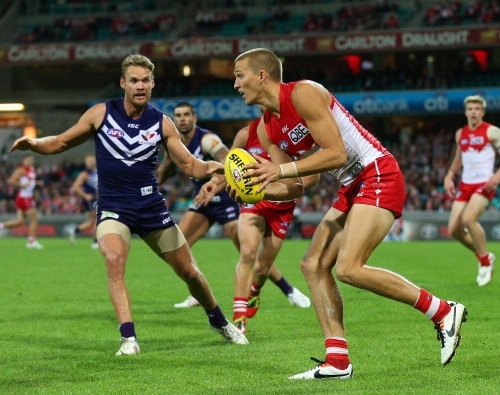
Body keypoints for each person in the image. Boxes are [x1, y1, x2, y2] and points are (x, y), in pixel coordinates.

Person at [231, 48, 467, 379]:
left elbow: (337, 154)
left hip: (377, 172)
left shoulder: (303, 93)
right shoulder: (266, 130)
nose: (235, 84)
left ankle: (442, 311)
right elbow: (297, 187)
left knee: (349, 268)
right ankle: (338, 362)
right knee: (312, 265)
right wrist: (253, 187)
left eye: (239, 75)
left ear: (261, 75)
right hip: (352, 186)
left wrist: (278, 173)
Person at [9, 53, 248, 355]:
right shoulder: (101, 114)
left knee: (189, 272)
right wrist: (35, 144)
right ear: (123, 83)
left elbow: (190, 166)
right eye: (134, 80)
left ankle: (218, 320)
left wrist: (218, 167)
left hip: (151, 208)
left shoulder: (162, 123)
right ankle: (129, 338)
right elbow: (61, 142)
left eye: (145, 80)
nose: (140, 85)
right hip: (113, 208)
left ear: (152, 84)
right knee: (113, 260)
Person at [157, 102, 310, 311]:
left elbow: (226, 159)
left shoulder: (207, 140)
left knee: (249, 255)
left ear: (195, 118)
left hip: (227, 198)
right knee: (176, 246)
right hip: (203, 199)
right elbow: (164, 170)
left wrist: (218, 182)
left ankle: (289, 290)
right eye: (178, 116)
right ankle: (198, 291)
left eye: (186, 115)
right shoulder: (175, 144)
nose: (182, 119)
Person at [200, 116, 315, 334]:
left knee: (262, 268)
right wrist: (214, 184)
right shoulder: (246, 133)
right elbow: (230, 165)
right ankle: (239, 318)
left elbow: (313, 177)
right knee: (247, 254)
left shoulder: (297, 134)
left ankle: (255, 291)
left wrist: (289, 186)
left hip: (282, 207)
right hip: (254, 202)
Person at [443, 95, 500, 287]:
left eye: (477, 108)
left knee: (468, 219)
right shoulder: (461, 134)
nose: (473, 111)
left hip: (484, 183)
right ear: (466, 112)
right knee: (454, 230)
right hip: (465, 184)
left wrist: (497, 176)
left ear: (482, 112)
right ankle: (485, 255)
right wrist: (449, 175)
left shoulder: (492, 131)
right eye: (470, 108)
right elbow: (459, 158)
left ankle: (484, 262)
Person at [0, 154, 43, 249]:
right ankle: (31, 242)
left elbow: (29, 181)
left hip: (24, 197)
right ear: (23, 161)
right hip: (25, 198)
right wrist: (21, 185)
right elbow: (11, 181)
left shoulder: (30, 169)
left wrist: (37, 182)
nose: (30, 161)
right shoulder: (21, 170)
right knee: (34, 219)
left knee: (20, 221)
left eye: (31, 160)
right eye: (27, 160)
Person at [68, 154, 99, 249]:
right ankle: (95, 242)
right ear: (86, 163)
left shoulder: (96, 171)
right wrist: (85, 196)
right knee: (98, 219)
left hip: (96, 198)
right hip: (91, 199)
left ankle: (76, 230)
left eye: (92, 160)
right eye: (89, 161)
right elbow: (75, 187)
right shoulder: (84, 174)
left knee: (92, 221)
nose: (91, 162)